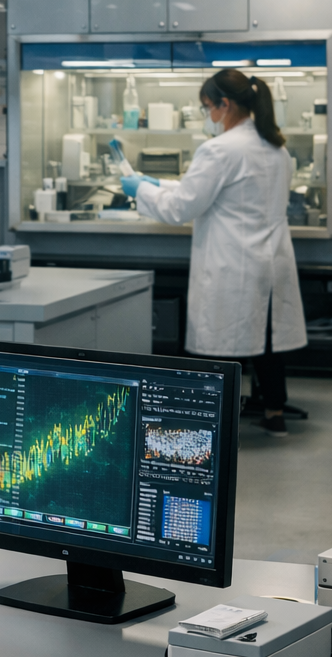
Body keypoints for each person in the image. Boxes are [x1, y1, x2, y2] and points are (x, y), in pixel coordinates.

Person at [121, 68, 307, 437]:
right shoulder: (276, 147)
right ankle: (274, 413)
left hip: (233, 264)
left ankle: (207, 426)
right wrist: (159, 183)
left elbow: (181, 207)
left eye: (208, 107)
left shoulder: (219, 149)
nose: (208, 115)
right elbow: (209, 190)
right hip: (270, 260)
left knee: (219, 345)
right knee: (267, 340)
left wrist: (140, 190)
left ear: (225, 104)